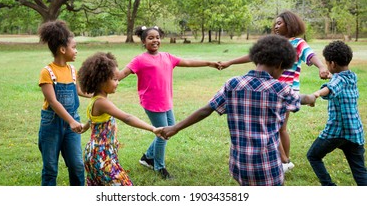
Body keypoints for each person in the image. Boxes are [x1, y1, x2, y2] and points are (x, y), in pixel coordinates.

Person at [161, 35, 317, 186]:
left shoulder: (233, 84)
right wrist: (311, 98)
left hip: (239, 165)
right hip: (267, 165)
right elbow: (301, 99)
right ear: (279, 64)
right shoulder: (281, 89)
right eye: (283, 70)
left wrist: (175, 128)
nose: (282, 74)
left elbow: (206, 110)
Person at [219, 10, 330, 172]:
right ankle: (283, 161)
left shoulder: (297, 43)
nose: (276, 26)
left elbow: (310, 55)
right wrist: (230, 62)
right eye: (275, 23)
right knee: (273, 127)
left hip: (285, 92)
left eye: (280, 23)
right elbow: (253, 56)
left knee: (279, 128)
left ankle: (284, 162)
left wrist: (321, 67)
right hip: (267, 90)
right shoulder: (273, 43)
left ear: (290, 24)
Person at [118, 26, 220, 179]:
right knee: (163, 134)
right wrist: (109, 81)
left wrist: (209, 63)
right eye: (151, 38)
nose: (155, 40)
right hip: (152, 103)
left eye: (157, 37)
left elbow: (188, 62)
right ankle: (159, 167)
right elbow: (123, 73)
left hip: (166, 101)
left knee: (171, 129)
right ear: (144, 41)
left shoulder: (167, 57)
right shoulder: (140, 59)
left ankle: (147, 157)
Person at [77, 52, 163, 186]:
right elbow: (127, 118)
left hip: (95, 152)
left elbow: (92, 120)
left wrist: (85, 126)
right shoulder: (102, 102)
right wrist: (152, 128)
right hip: (102, 154)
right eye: (114, 79)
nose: (118, 82)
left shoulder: (95, 100)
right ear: (101, 80)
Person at [307, 40, 367, 186]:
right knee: (360, 170)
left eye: (327, 63)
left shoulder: (337, 80)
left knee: (313, 156)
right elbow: (338, 81)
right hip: (355, 131)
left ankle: (329, 187)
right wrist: (330, 77)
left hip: (337, 132)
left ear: (332, 64)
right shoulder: (351, 76)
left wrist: (315, 94)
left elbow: (331, 88)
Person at [38, 20, 90, 186]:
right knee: (51, 168)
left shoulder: (72, 70)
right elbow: (53, 101)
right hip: (52, 125)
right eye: (74, 47)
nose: (76, 51)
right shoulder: (47, 72)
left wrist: (98, 93)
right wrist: (71, 121)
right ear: (62, 49)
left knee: (77, 165)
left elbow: (79, 91)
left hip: (71, 124)